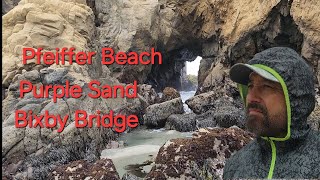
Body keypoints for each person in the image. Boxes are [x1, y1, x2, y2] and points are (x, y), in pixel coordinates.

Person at [223, 47, 320, 179]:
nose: (251, 98)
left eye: (266, 87)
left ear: (295, 98)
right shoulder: (235, 166)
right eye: (250, 86)